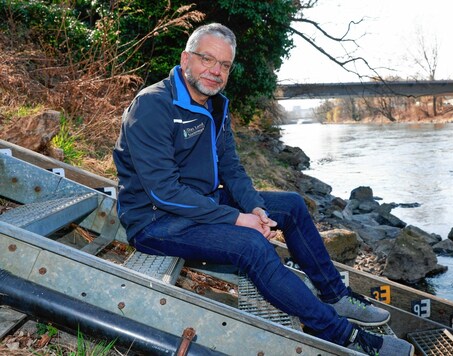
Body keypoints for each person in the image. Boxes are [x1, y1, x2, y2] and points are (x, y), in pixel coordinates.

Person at [113, 23, 414, 356]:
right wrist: (236, 219)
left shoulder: (216, 106)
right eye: (207, 59)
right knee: (252, 245)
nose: (216, 71)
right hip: (156, 221)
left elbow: (231, 169)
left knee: (292, 205)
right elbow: (164, 192)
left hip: (202, 204)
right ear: (186, 58)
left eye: (224, 65)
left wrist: (255, 208)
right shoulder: (153, 105)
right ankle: (342, 336)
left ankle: (334, 295)